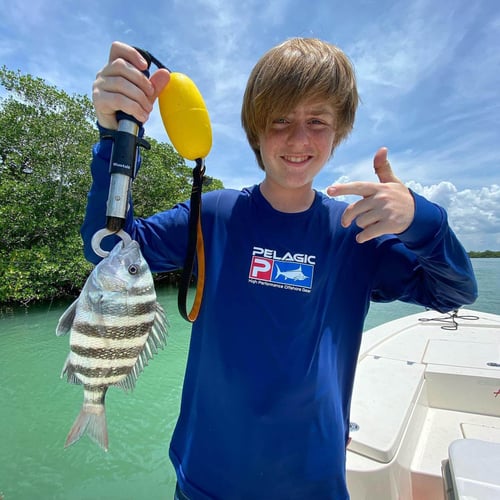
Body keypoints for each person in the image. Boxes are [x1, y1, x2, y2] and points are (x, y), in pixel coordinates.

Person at [82, 39, 477, 499]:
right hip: (206, 481)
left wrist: (423, 221)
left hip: (314, 485)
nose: (298, 139)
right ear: (255, 129)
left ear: (339, 130)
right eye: (281, 120)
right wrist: (116, 135)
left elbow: (453, 292)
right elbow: (108, 248)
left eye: (317, 121)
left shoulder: (356, 234)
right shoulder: (213, 216)